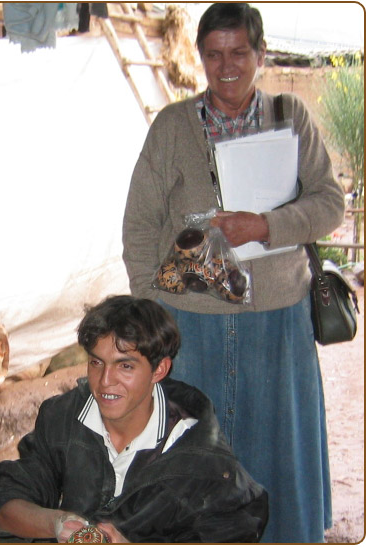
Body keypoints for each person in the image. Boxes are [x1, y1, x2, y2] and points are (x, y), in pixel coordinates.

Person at [122, 4, 344, 542]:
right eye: (214, 54)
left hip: (278, 324)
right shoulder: (173, 127)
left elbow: (329, 204)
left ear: (260, 55)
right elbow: (140, 227)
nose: (226, 66)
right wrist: (155, 308)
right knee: (196, 456)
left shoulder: (292, 118)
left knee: (279, 452)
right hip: (191, 325)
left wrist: (265, 225)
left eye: (239, 53)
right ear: (200, 56)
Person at [0, 295, 268, 543]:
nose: (106, 382)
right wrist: (57, 524)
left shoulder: (201, 458)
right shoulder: (63, 417)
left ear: (159, 370)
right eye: (97, 362)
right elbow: (7, 503)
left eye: (125, 366)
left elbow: (234, 531)